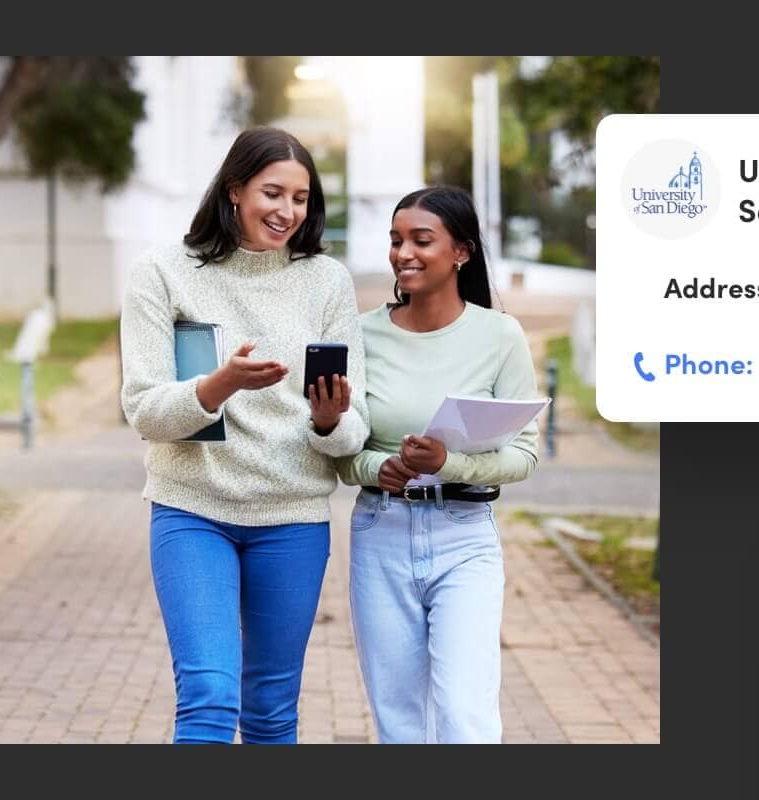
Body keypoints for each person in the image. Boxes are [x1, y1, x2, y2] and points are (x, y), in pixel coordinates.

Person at [119, 126, 368, 744]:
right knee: (208, 694)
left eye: (301, 198)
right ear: (234, 189)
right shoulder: (162, 272)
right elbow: (144, 410)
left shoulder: (326, 281)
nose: (288, 211)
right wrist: (219, 385)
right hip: (192, 511)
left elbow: (352, 432)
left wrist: (329, 419)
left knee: (271, 710)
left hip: (292, 518)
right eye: (272, 193)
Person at [336, 186, 540, 743]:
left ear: (461, 252)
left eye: (421, 240)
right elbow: (343, 453)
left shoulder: (500, 335)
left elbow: (524, 454)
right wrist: (378, 468)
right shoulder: (362, 334)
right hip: (380, 532)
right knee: (400, 721)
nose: (403, 253)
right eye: (396, 240)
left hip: (465, 536)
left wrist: (450, 463)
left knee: (466, 716)